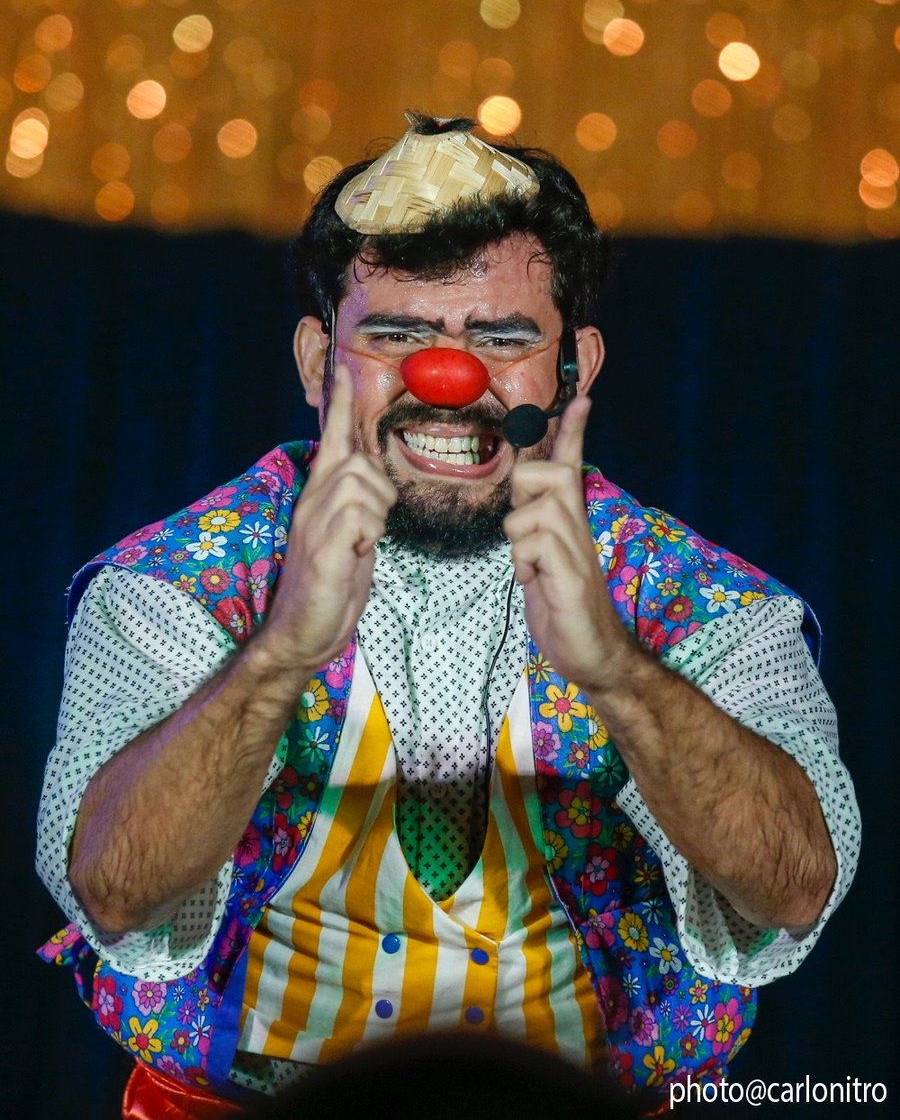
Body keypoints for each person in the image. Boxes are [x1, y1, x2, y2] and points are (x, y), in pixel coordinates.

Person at [37, 114, 859, 1118]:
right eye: (397, 336)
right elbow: (116, 895)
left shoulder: (706, 606)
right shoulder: (170, 586)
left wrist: (618, 674)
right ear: (315, 360)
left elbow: (793, 891)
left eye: (502, 340)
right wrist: (278, 654)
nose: (448, 381)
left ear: (576, 368)